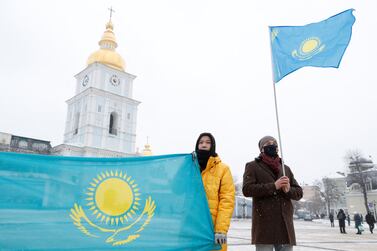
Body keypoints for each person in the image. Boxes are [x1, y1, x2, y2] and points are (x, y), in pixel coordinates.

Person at [242, 136, 303, 251]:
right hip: (264, 225)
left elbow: (299, 193)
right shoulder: (252, 166)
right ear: (261, 149)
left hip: (284, 225)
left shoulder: (286, 169)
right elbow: (247, 189)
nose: (272, 145)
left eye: (274, 143)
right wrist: (274, 186)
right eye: (268, 143)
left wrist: (289, 190)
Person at [195, 132, 235, 251]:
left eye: (208, 142)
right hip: (191, 224)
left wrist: (221, 230)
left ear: (213, 146)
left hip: (212, 227)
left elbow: (227, 201)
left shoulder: (223, 169)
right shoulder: (190, 167)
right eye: (201, 142)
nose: (204, 145)